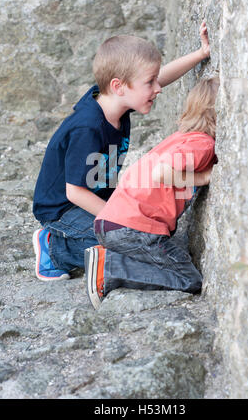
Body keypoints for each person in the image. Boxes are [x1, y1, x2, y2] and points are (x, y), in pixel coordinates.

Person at [32, 22, 211, 282]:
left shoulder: (117, 100)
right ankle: (56, 248)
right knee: (123, 242)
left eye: (154, 81)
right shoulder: (88, 128)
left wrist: (201, 54)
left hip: (97, 192)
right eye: (150, 83)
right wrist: (120, 218)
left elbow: (162, 77)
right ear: (119, 86)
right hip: (64, 208)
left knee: (145, 233)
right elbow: (74, 192)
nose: (157, 88)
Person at [85, 77, 219, 309]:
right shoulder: (203, 144)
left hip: (114, 223)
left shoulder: (180, 138)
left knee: (172, 256)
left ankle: (110, 260)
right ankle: (109, 268)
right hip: (132, 229)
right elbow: (161, 174)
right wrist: (204, 178)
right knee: (190, 279)